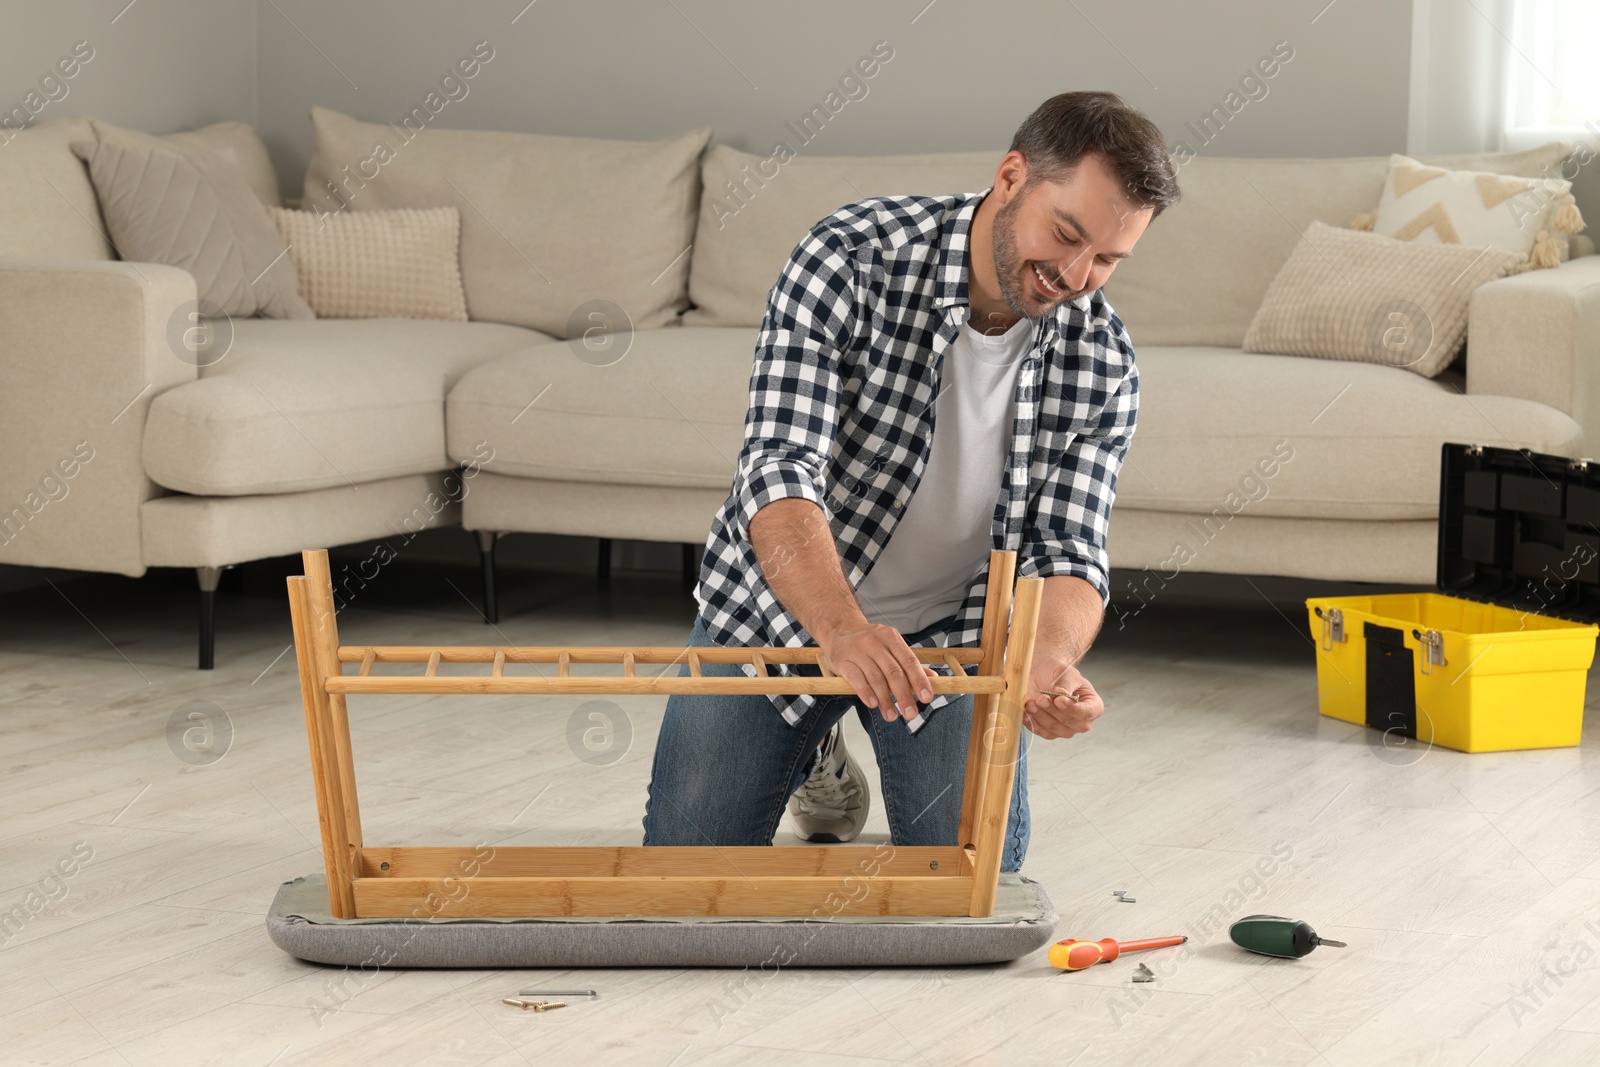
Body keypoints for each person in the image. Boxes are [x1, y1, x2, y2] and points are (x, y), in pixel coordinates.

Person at [641, 91, 1179, 872]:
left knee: (972, 872)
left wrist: (1045, 659)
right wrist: (845, 633)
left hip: (951, 641)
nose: (1073, 275)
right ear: (1010, 175)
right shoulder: (849, 256)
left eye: (1105, 259)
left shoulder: (1105, 362)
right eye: (1065, 234)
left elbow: (1070, 548)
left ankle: (835, 722)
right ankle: (813, 740)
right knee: (685, 871)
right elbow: (779, 468)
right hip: (780, 617)